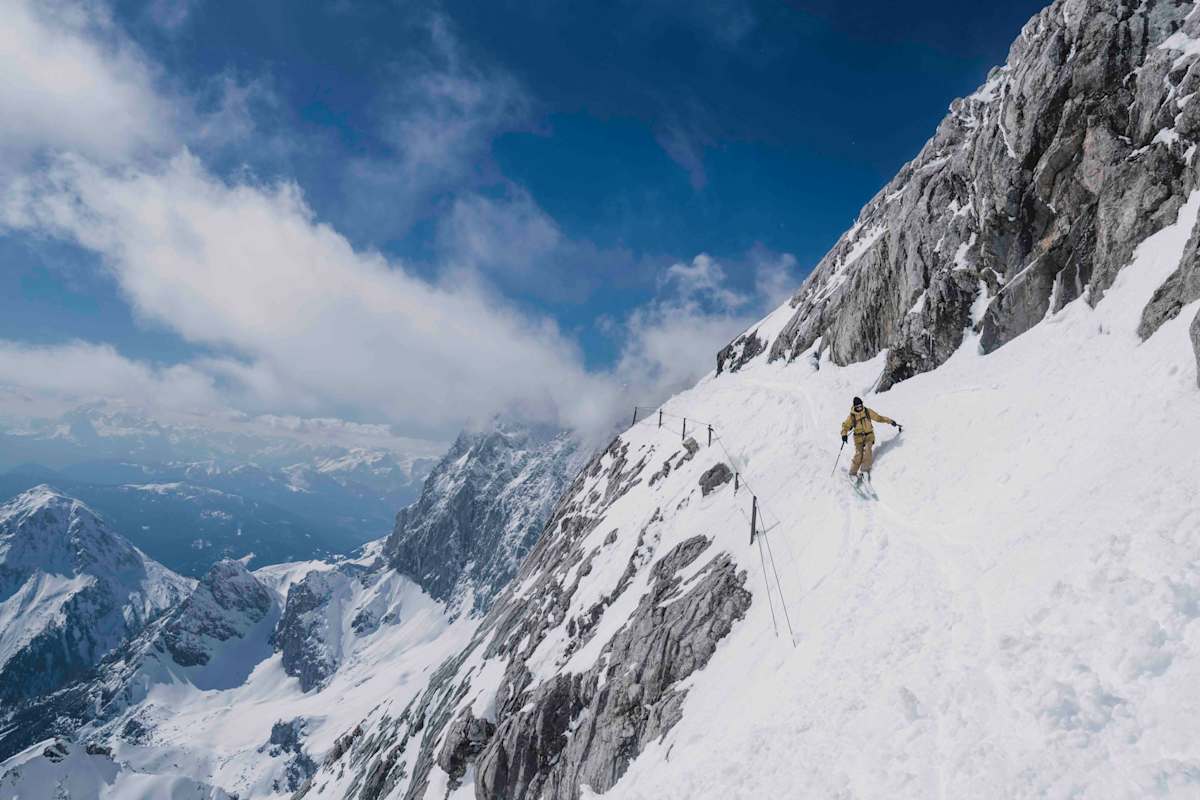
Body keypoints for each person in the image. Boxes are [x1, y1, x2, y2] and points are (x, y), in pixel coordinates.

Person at [839, 396, 901, 480]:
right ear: (855, 407)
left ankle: (865, 470)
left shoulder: (867, 411)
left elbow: (879, 418)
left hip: (869, 435)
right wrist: (844, 435)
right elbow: (845, 426)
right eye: (858, 407)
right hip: (858, 437)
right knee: (859, 454)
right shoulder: (852, 416)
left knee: (868, 449)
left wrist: (890, 421)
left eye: (861, 406)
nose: (860, 408)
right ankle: (852, 473)